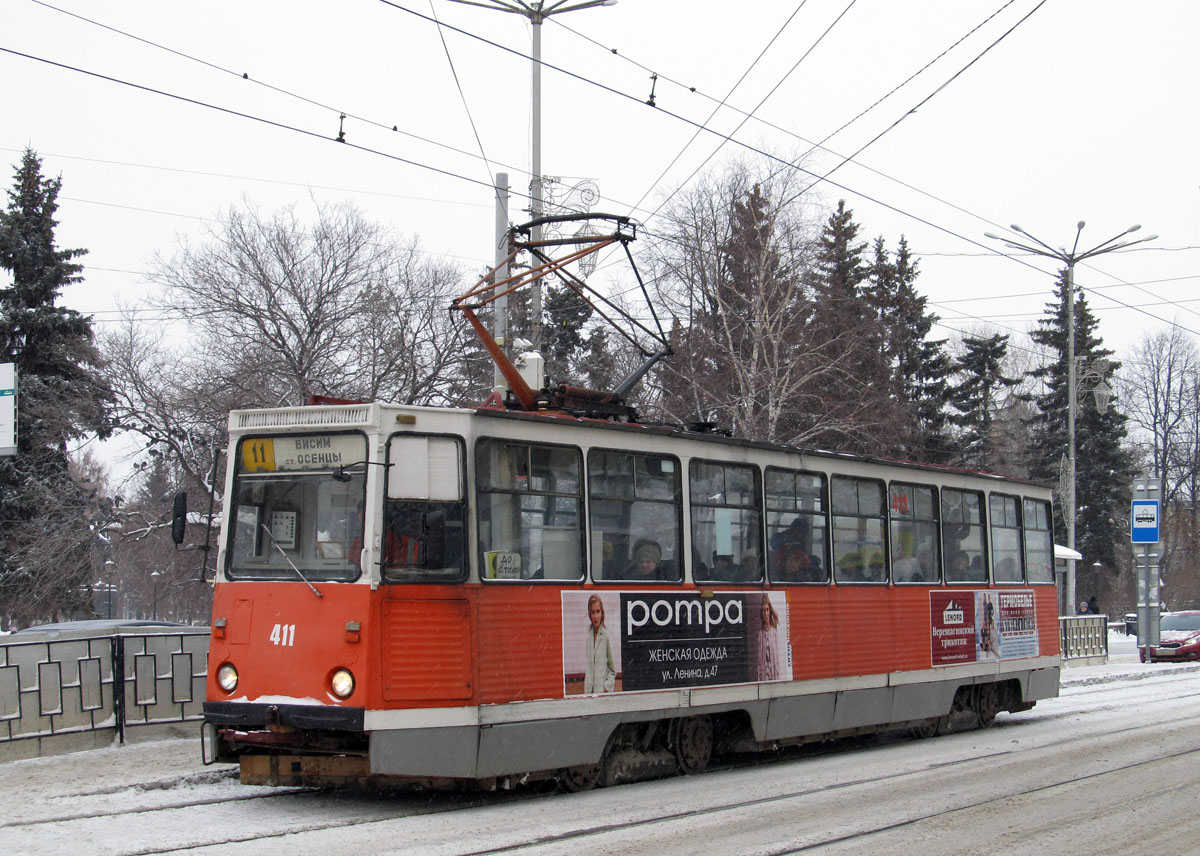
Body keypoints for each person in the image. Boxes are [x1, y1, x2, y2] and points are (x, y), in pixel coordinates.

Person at [583, 594, 616, 693]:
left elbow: (613, 670)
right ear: (589, 614)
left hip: (601, 693)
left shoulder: (605, 635)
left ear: (602, 613)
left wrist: (606, 687)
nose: (595, 616)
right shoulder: (588, 635)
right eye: (592, 612)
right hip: (588, 693)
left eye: (598, 611)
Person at [756, 596, 780, 681]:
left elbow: (776, 656)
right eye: (763, 611)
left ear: (770, 611)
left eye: (767, 610)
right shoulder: (760, 634)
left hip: (773, 673)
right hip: (764, 674)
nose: (765, 613)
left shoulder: (774, 631)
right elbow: (760, 660)